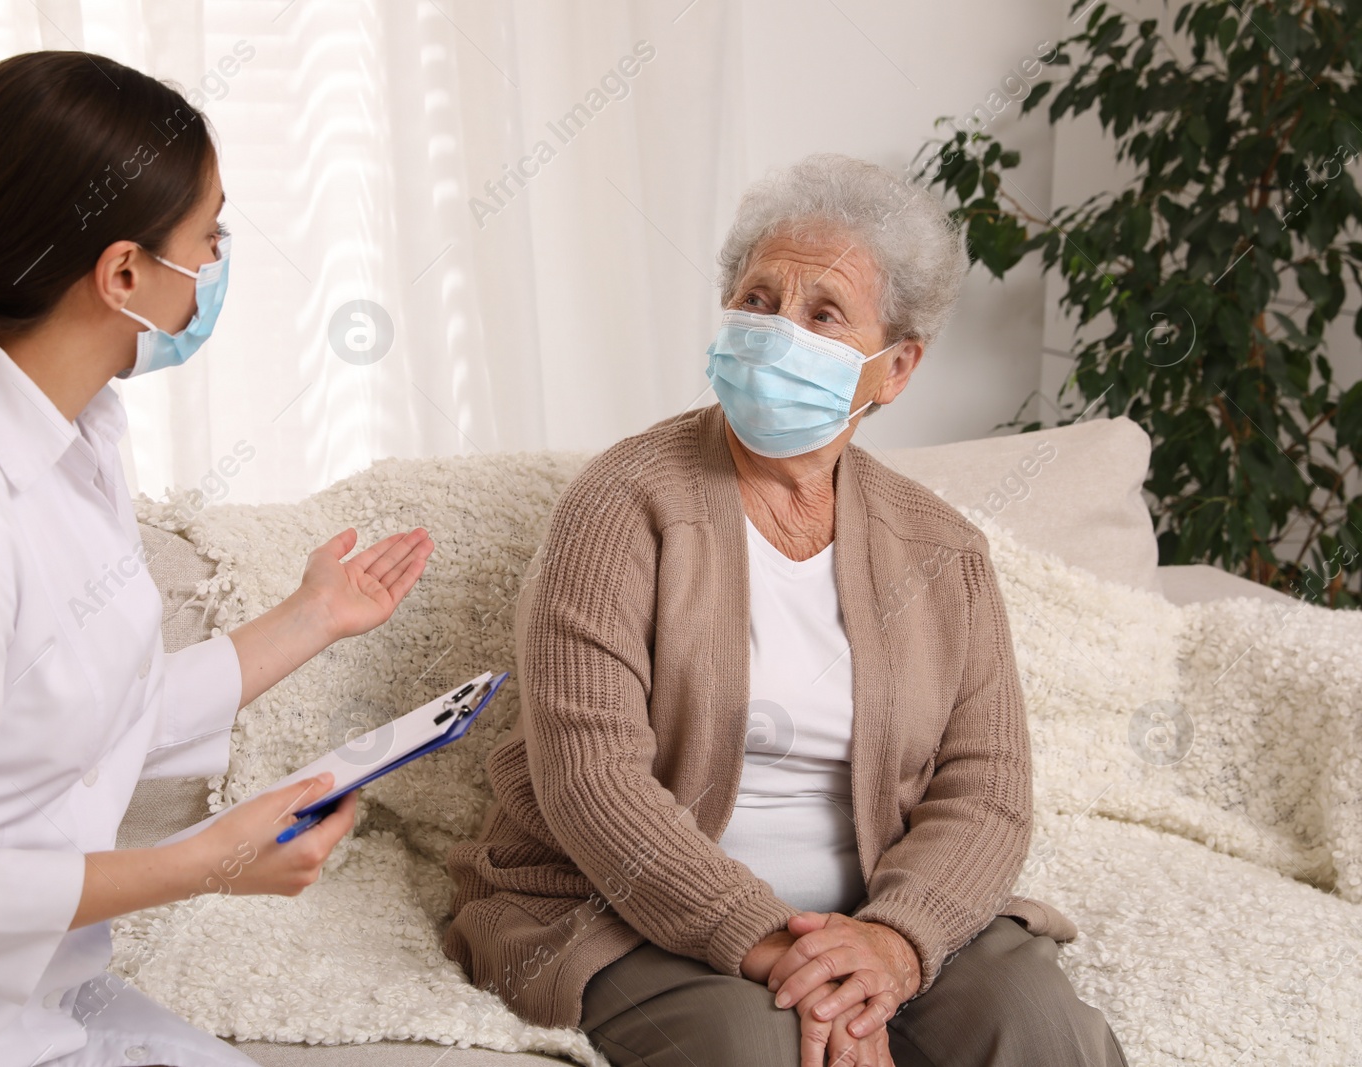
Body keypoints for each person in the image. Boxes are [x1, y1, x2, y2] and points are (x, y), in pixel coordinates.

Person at [0, 51, 434, 1066]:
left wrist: (313, 617)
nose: (218, 260)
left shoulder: (76, 437)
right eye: (209, 234)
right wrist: (202, 863)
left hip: (28, 1000)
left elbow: (81, 720)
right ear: (123, 272)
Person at [443, 153, 1129, 1067]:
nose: (777, 332)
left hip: (877, 914)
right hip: (618, 904)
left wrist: (890, 944)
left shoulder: (944, 552)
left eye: (823, 313)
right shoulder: (619, 506)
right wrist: (782, 954)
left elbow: (988, 793)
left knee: (1043, 1034)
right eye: (759, 301)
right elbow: (590, 781)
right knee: (754, 1048)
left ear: (895, 369)